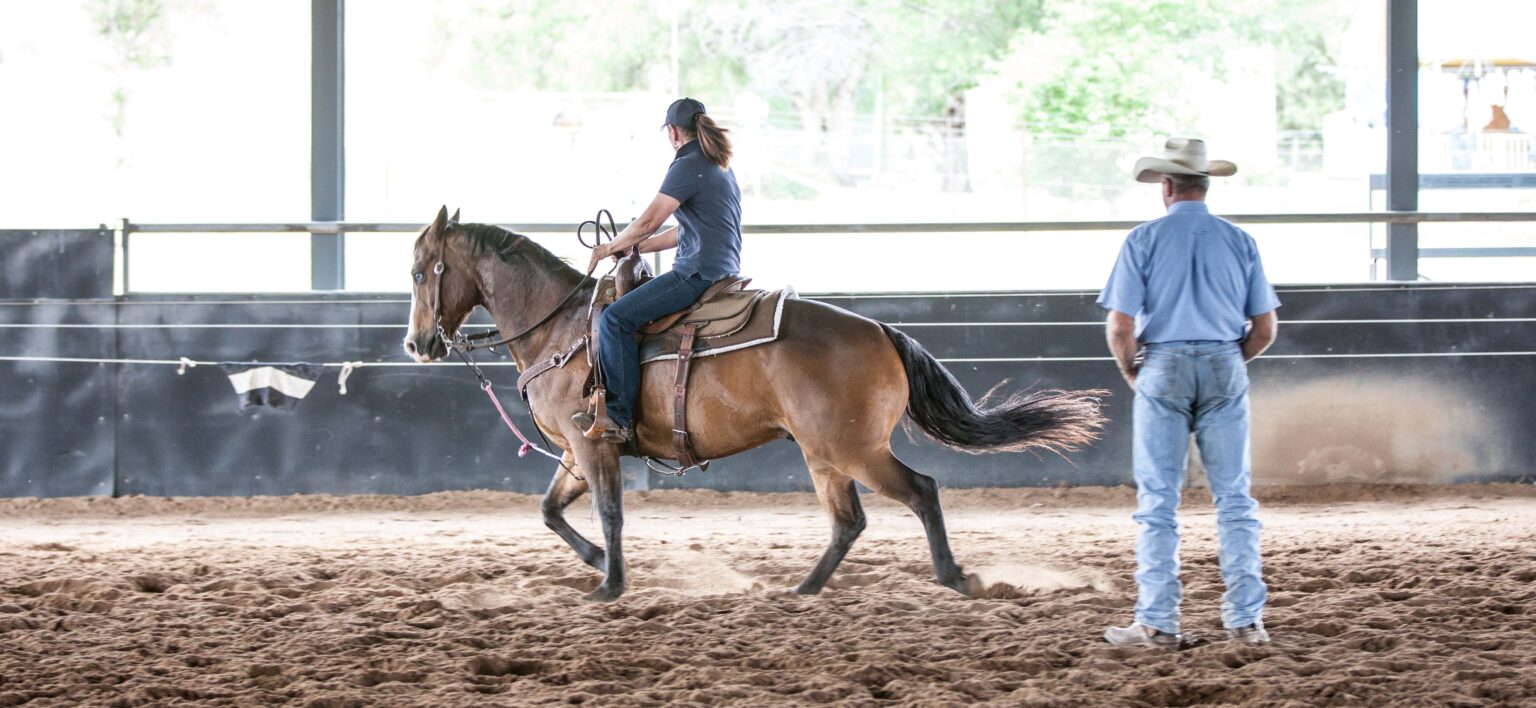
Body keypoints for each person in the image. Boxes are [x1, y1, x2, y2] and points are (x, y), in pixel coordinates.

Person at [1097, 138, 1280, 648]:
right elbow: (1265, 329)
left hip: (1163, 364)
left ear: (1167, 186)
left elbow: (1120, 326)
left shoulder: (1143, 240)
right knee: (1235, 499)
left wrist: (1133, 372)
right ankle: (1246, 621)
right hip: (1224, 362)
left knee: (1158, 501)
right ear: (1205, 186)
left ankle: (1157, 621)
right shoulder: (1240, 241)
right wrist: (1227, 361)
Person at [575, 97, 743, 443]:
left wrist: (608, 247)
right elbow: (686, 230)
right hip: (723, 268)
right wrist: (636, 247)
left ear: (673, 132)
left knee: (615, 320)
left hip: (696, 273)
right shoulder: (718, 164)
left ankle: (618, 416)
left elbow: (649, 220)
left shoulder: (686, 165)